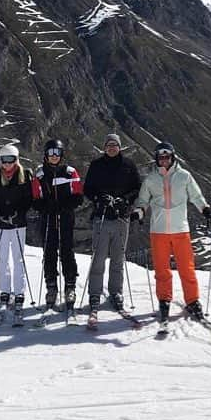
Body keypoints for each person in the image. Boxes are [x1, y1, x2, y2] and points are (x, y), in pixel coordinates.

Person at [131, 141, 211, 323]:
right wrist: (139, 212)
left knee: (187, 268)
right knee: (162, 270)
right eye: (160, 157)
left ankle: (192, 301)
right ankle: (164, 300)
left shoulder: (184, 176)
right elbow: (143, 201)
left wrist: (206, 209)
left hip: (180, 230)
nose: (163, 160)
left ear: (172, 157)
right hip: (158, 231)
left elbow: (196, 196)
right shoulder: (150, 179)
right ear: (156, 159)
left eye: (166, 157)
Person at [82, 133, 140, 315]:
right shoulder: (96, 165)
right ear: (104, 147)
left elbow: (137, 187)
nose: (112, 148)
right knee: (98, 258)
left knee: (118, 259)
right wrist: (99, 198)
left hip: (122, 217)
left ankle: (116, 292)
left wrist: (126, 200)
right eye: (108, 145)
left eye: (115, 145)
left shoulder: (129, 165)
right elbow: (87, 189)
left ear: (120, 146)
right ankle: (94, 294)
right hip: (102, 216)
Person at [32, 138, 83, 310]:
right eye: (51, 153)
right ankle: (51, 286)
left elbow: (78, 195)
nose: (54, 156)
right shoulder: (39, 174)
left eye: (57, 153)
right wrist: (44, 206)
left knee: (67, 250)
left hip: (65, 217)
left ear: (61, 155)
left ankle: (70, 285)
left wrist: (65, 205)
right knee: (49, 251)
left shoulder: (70, 172)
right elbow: (35, 197)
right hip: (48, 218)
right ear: (46, 155)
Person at [0, 144, 35, 316]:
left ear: (16, 160)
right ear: (0, 161)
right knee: (2, 258)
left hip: (17, 223)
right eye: (4, 160)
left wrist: (18, 214)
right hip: (0, 225)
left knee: (18, 258)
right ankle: (5, 291)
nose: (7, 164)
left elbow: (29, 199)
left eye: (11, 160)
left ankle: (19, 291)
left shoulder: (25, 176)